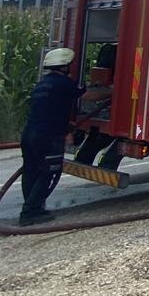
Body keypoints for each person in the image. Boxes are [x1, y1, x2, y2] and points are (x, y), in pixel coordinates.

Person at [19, 48, 108, 226]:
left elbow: (50, 109)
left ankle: (32, 207)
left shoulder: (42, 84)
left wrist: (67, 126)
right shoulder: (64, 83)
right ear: (65, 66)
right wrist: (114, 91)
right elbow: (89, 95)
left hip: (29, 134)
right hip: (48, 137)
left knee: (31, 171)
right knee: (48, 172)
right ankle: (30, 212)